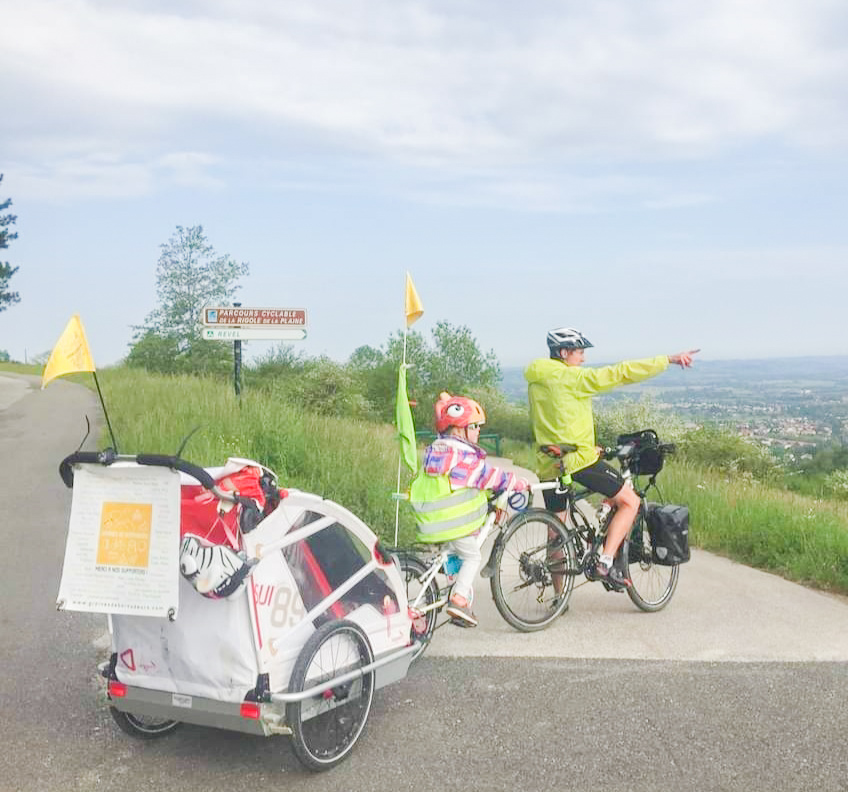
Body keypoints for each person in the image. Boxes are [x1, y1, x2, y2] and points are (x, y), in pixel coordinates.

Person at [526, 327, 698, 588]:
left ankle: (558, 598)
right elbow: (621, 372)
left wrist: (587, 444)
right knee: (630, 502)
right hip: (578, 461)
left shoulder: (536, 378)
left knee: (556, 532)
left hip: (550, 462)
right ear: (563, 353)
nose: (583, 358)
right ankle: (605, 562)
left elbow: (560, 419)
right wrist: (668, 359)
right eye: (579, 352)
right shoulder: (574, 378)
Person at [409, 392, 530, 627]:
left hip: (432, 521)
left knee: (453, 556)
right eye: (474, 426)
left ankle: (432, 599)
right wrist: (516, 482)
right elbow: (487, 476)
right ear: (458, 430)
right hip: (452, 522)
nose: (478, 431)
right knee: (473, 556)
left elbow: (461, 483)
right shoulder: (462, 456)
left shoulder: (439, 449)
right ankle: (459, 599)